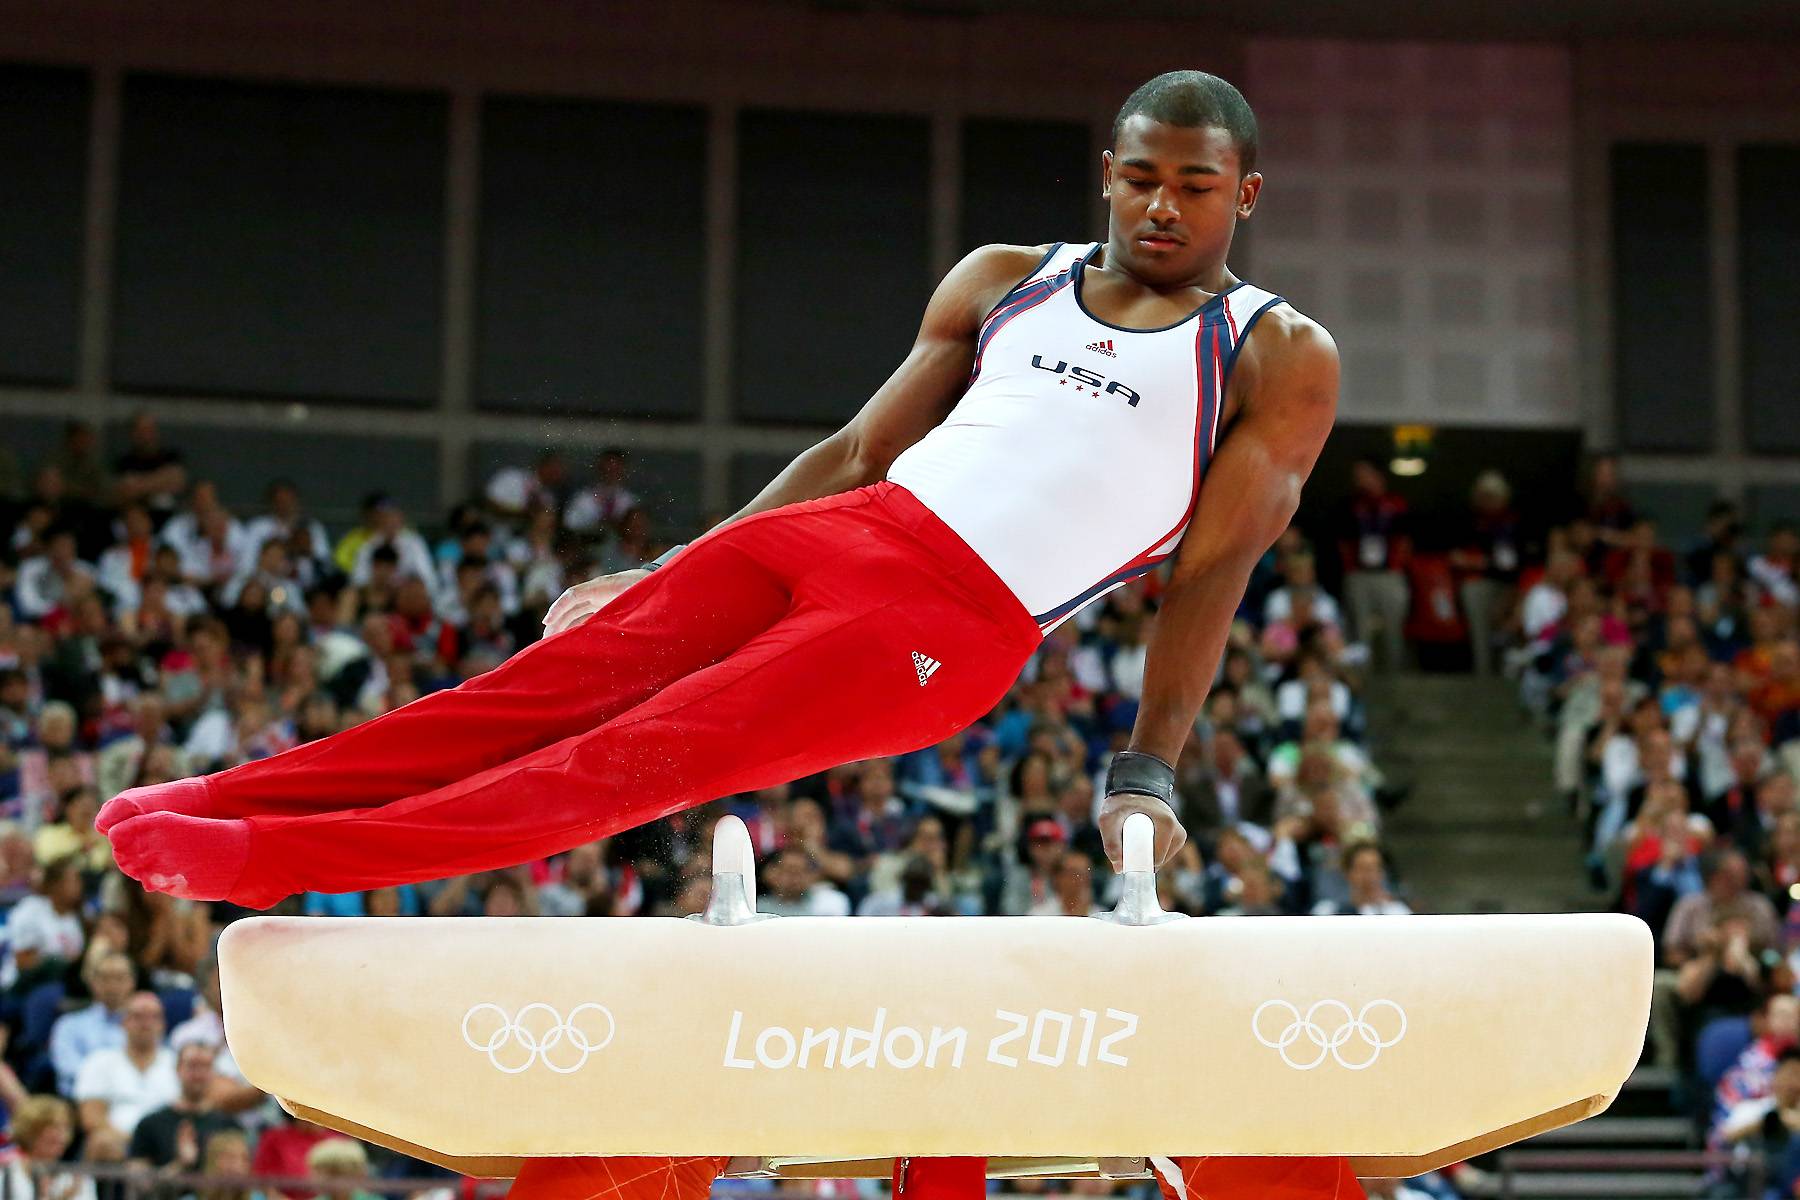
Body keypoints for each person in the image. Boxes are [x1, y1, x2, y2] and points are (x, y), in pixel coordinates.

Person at [102, 71, 1340, 958]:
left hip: (953, 621)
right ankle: (233, 799)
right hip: (845, 529)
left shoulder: (1272, 353)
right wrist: (672, 568)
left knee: (623, 765)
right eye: (1140, 178)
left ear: (1247, 193)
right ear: (1108, 175)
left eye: (1195, 185)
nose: (1162, 207)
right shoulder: (1012, 279)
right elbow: (859, 448)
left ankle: (267, 866)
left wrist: (1148, 772)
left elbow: (1211, 575)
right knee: (521, 698)